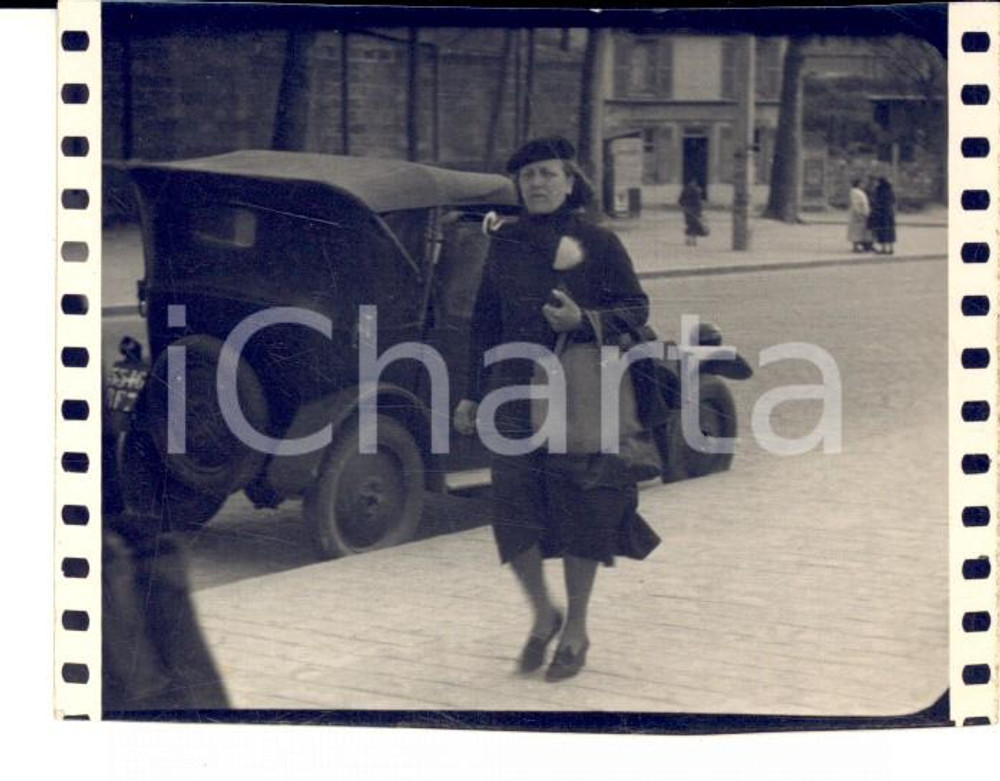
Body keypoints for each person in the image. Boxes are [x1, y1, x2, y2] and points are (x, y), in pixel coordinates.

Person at [452, 136, 660, 682]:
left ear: (570, 181)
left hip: (578, 395)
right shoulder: (506, 242)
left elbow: (637, 309)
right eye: (527, 176)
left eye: (547, 174)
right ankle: (544, 613)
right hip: (512, 393)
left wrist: (585, 322)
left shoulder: (599, 242)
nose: (537, 184)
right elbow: (484, 322)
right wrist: (472, 392)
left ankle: (577, 629)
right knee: (511, 513)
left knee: (578, 513)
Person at [870, 177, 897, 254]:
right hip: (889, 213)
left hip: (881, 213)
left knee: (882, 230)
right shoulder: (890, 190)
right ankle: (891, 248)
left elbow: (876, 202)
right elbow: (894, 201)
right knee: (890, 230)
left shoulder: (879, 191)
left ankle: (883, 248)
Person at [678, 179, 706, 246]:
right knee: (694, 225)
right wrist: (700, 212)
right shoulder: (697, 191)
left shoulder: (685, 190)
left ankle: (688, 239)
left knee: (689, 225)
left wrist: (684, 206)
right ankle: (693, 240)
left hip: (687, 210)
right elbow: (698, 203)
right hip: (695, 211)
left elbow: (680, 200)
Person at [847, 178, 871, 253]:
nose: (863, 185)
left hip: (862, 212)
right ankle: (855, 246)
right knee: (856, 231)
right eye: (862, 183)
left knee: (859, 231)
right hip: (858, 214)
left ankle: (858, 245)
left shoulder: (859, 192)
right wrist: (860, 213)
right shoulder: (855, 192)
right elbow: (856, 204)